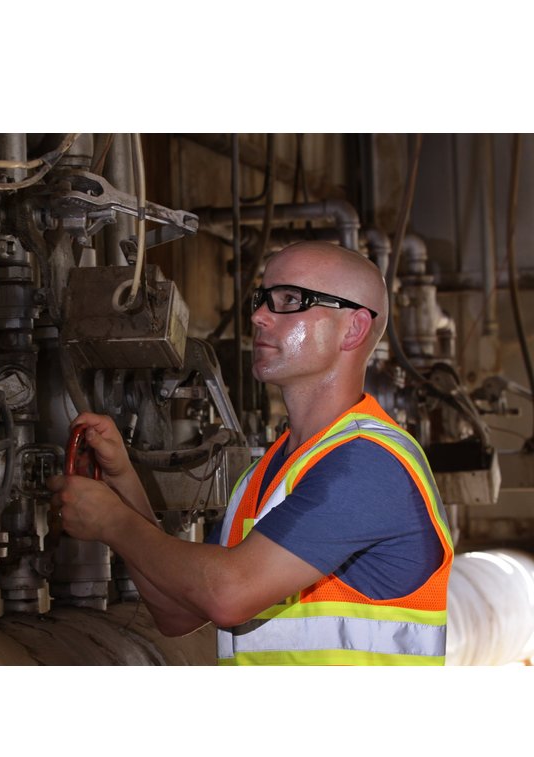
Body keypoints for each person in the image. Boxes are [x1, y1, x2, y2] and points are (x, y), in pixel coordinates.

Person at [47, 241, 453, 665]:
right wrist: (123, 485)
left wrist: (114, 522)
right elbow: (177, 611)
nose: (258, 316)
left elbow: (229, 596)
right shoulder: (265, 476)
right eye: (262, 299)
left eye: (291, 300)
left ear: (353, 329)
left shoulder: (369, 464)